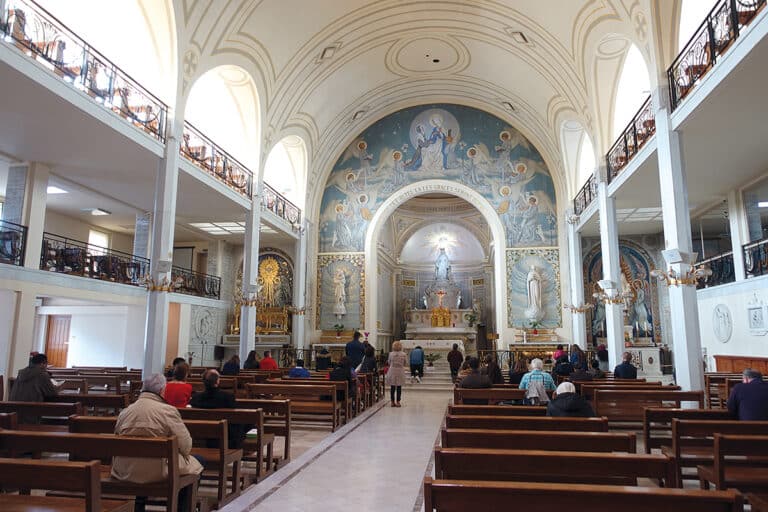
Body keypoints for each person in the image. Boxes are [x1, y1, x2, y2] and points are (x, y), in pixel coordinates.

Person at [111, 374, 203, 511]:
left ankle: (139, 507)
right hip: (158, 471)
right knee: (199, 462)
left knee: (141, 463)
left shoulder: (125, 412)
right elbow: (186, 446)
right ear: (162, 391)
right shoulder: (168, 411)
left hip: (126, 470)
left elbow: (117, 440)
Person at [190, 370, 248, 448]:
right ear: (217, 381)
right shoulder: (228, 397)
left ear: (203, 382)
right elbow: (234, 416)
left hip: (201, 433)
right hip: (224, 433)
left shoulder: (196, 398)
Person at [386, 341, 407, 407]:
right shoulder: (404, 354)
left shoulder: (391, 354)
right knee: (399, 387)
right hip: (400, 371)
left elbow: (389, 362)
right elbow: (405, 363)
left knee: (392, 387)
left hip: (392, 370)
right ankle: (398, 402)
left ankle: (392, 402)